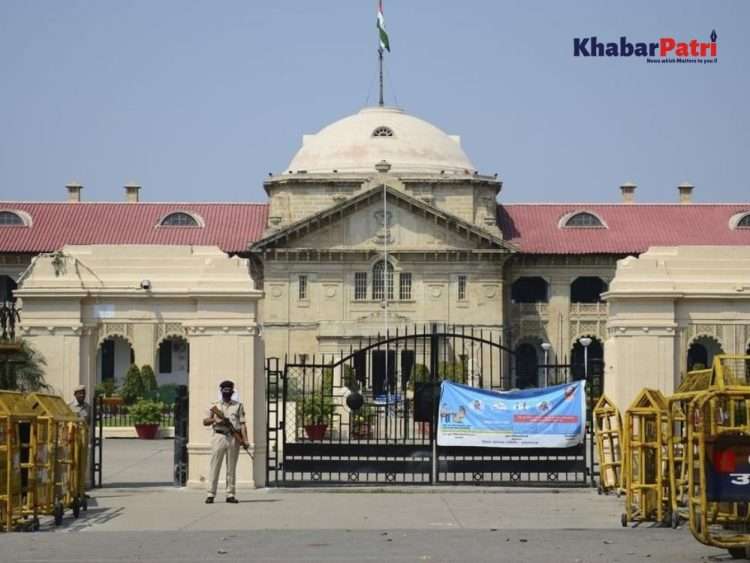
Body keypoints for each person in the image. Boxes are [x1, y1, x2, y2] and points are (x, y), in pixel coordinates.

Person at [203, 380, 249, 504]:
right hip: (219, 437)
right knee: (215, 466)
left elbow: (243, 424)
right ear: (221, 391)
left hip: (233, 437)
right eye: (225, 390)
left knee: (231, 468)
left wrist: (245, 440)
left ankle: (230, 494)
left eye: (229, 390)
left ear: (232, 392)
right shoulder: (215, 405)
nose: (227, 392)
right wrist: (215, 420)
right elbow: (205, 421)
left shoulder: (238, 406)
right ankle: (210, 494)